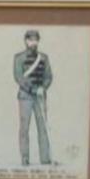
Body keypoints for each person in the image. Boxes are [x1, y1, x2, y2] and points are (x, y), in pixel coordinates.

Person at [13, 29, 54, 167]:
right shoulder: (18, 58)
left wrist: (43, 87)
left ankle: (45, 159)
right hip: (25, 97)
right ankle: (25, 158)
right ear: (26, 41)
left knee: (43, 127)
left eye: (36, 40)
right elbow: (19, 77)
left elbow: (48, 76)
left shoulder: (44, 58)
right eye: (31, 40)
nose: (33, 43)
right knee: (24, 128)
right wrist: (33, 89)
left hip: (40, 97)